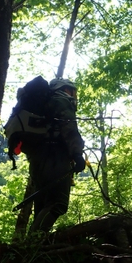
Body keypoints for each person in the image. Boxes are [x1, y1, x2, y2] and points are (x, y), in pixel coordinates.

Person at [26, 78, 86, 233]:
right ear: (66, 88)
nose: (74, 95)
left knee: (43, 204)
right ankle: (34, 242)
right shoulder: (60, 99)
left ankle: (35, 247)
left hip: (37, 161)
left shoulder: (43, 103)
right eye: (73, 91)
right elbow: (69, 127)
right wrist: (77, 154)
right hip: (55, 158)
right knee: (57, 203)